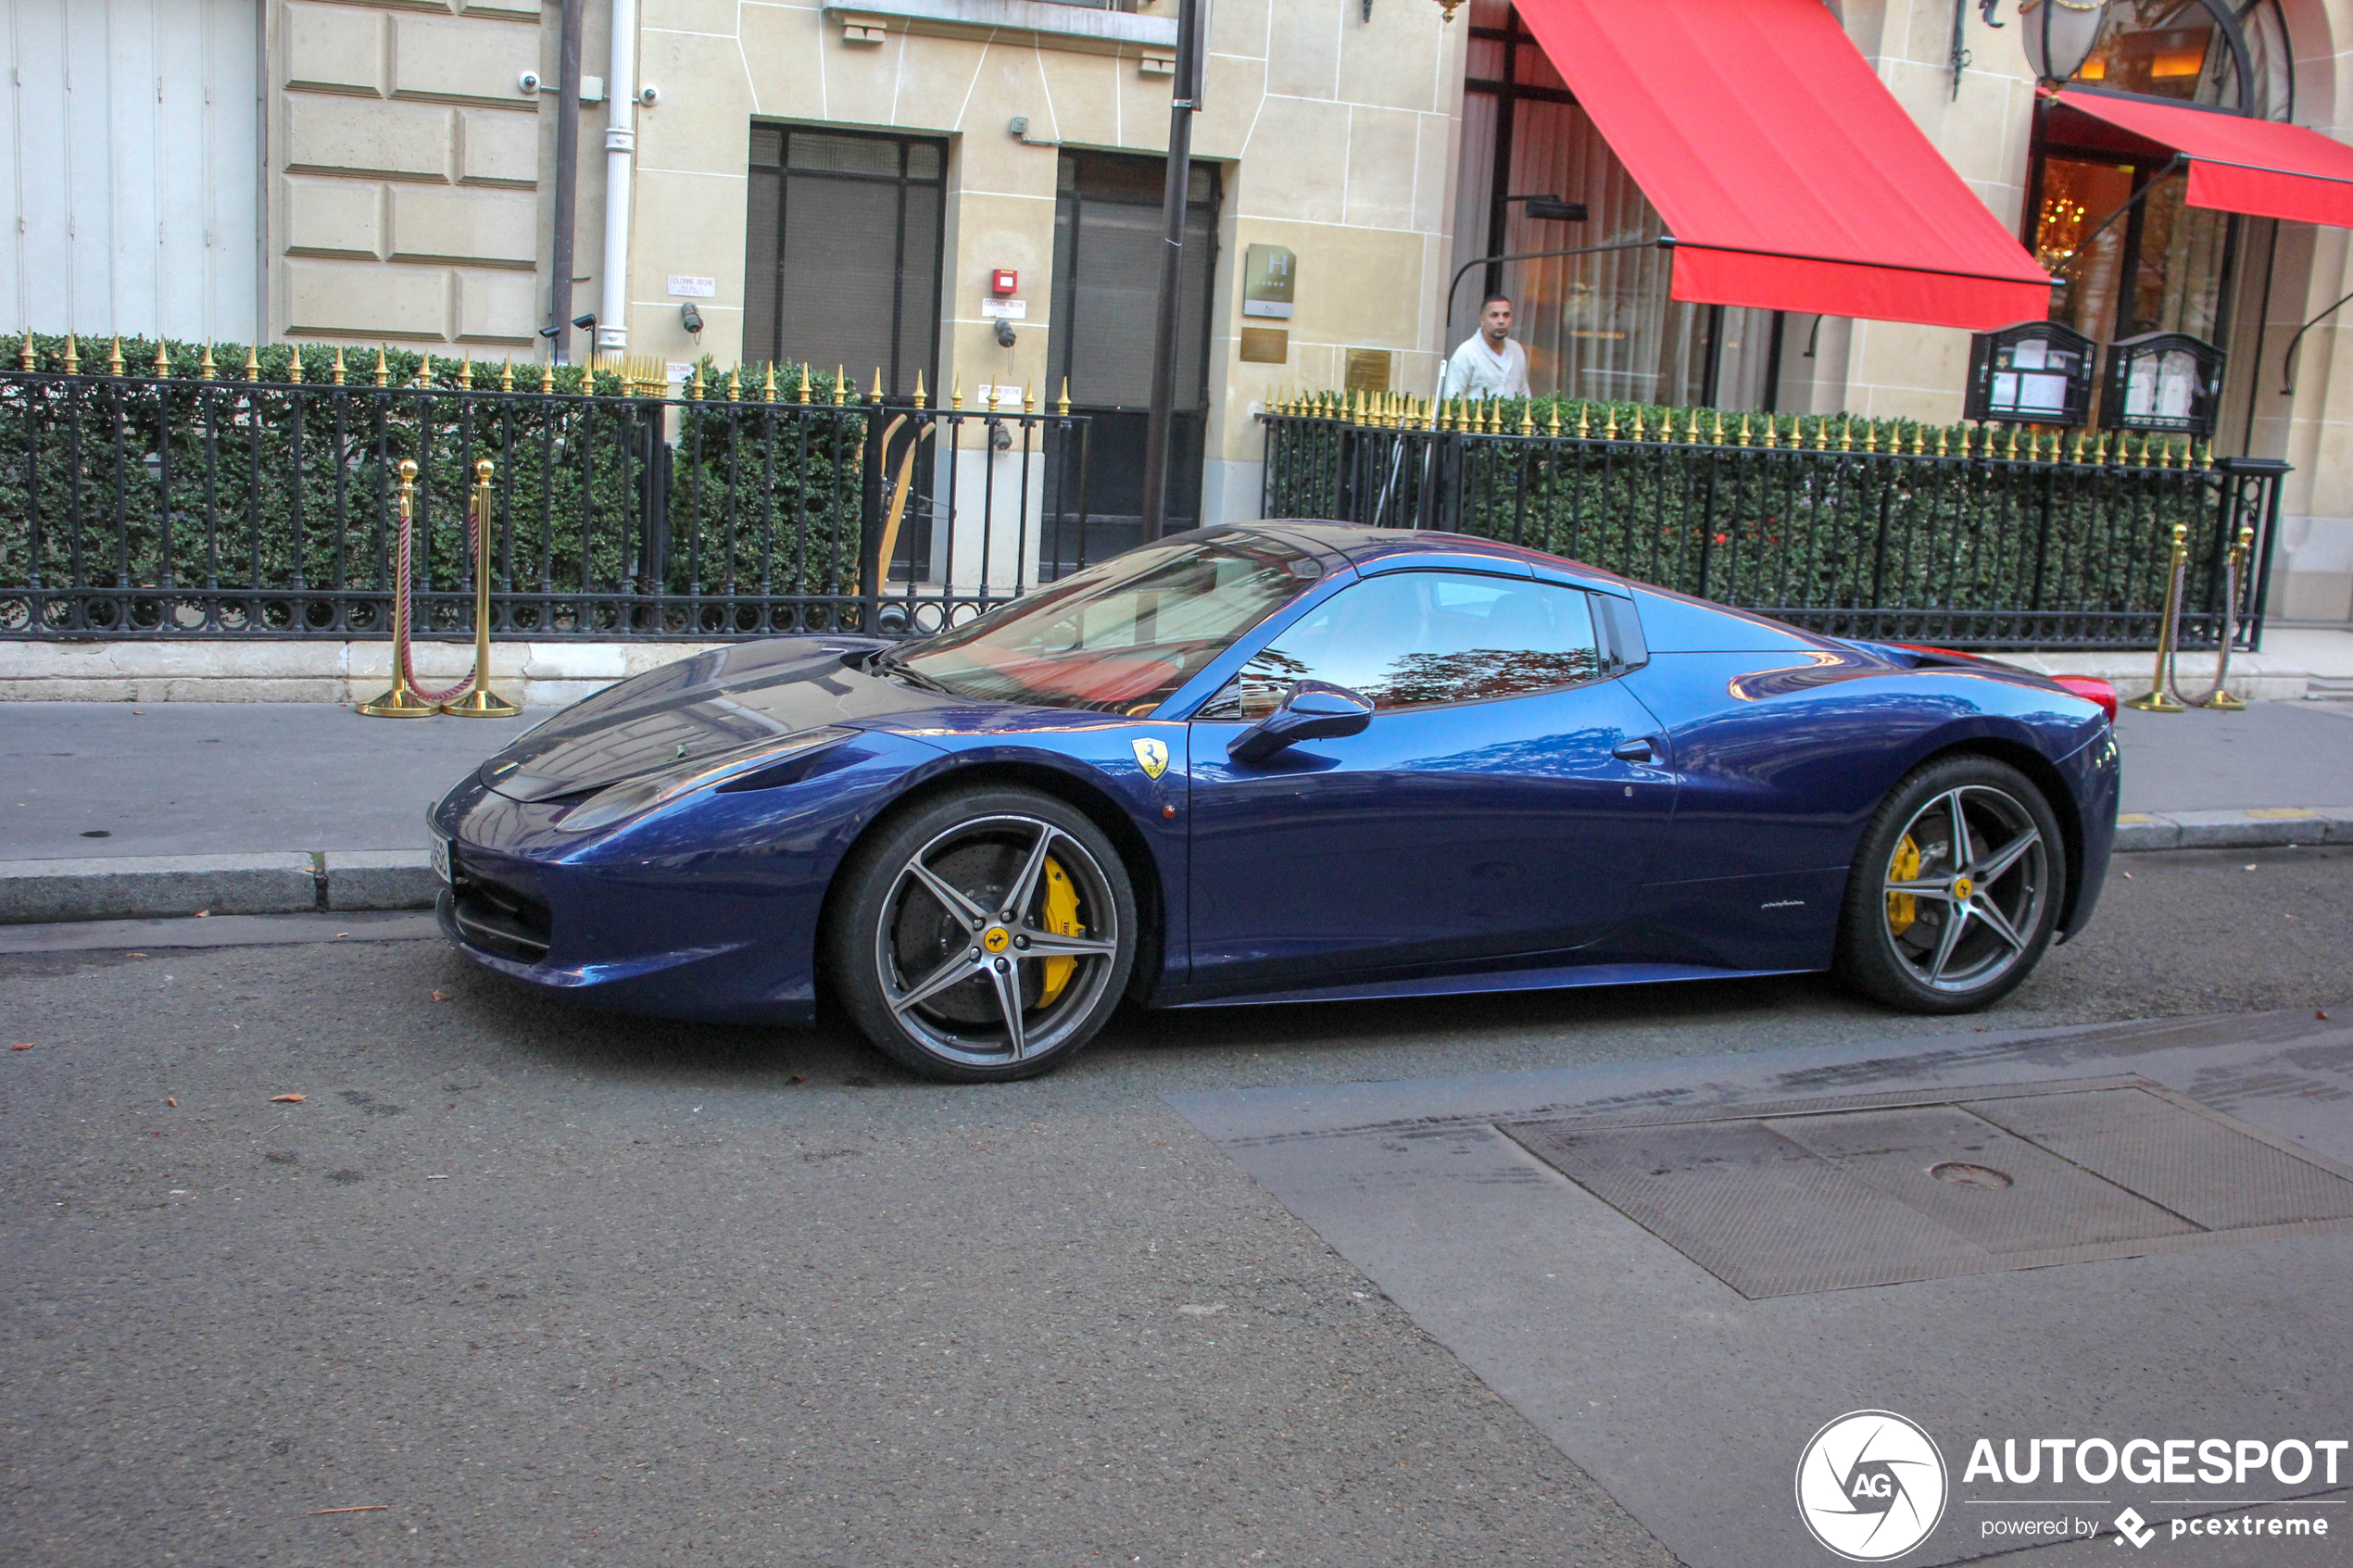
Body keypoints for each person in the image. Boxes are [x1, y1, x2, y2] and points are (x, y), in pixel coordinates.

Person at [1439, 293, 1530, 402]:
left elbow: (1524, 395)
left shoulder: (1517, 350)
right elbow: (1451, 400)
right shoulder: (1466, 353)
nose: (1501, 321)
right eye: (1494, 315)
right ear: (1482, 320)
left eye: (1506, 315)